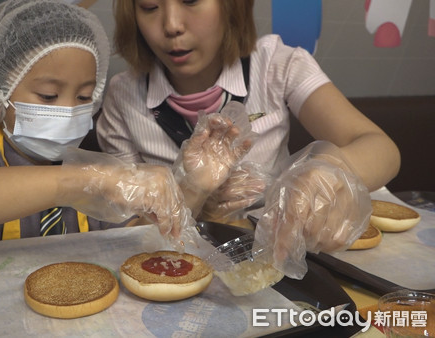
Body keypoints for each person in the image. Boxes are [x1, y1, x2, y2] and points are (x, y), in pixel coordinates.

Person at [97, 0, 400, 278]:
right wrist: (189, 190)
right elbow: (126, 234)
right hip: (175, 273)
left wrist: (330, 168)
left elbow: (381, 148)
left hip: (279, 268)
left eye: (191, 0)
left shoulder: (277, 64)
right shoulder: (123, 96)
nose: (172, 25)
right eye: (150, 6)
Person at [0, 0, 211, 259]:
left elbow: (136, 239)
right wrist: (85, 180)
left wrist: (195, 186)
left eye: (84, 97)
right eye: (48, 96)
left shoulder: (91, 166)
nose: (68, 110)